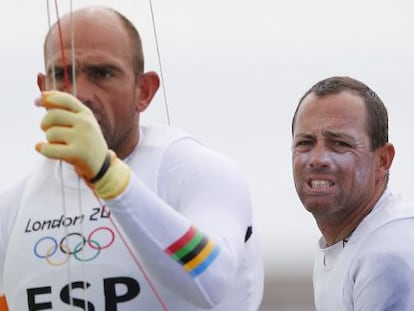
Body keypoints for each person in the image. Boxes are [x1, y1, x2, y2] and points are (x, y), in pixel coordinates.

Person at [0, 6, 263, 311]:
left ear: (145, 91)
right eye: (62, 74)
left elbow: (213, 281)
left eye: (102, 73)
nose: (80, 93)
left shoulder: (198, 172)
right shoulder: (12, 207)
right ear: (44, 89)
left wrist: (107, 176)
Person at [291, 75, 414, 310]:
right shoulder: (351, 241)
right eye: (305, 143)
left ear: (382, 160)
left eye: (340, 144)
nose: (318, 159)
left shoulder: (387, 254)